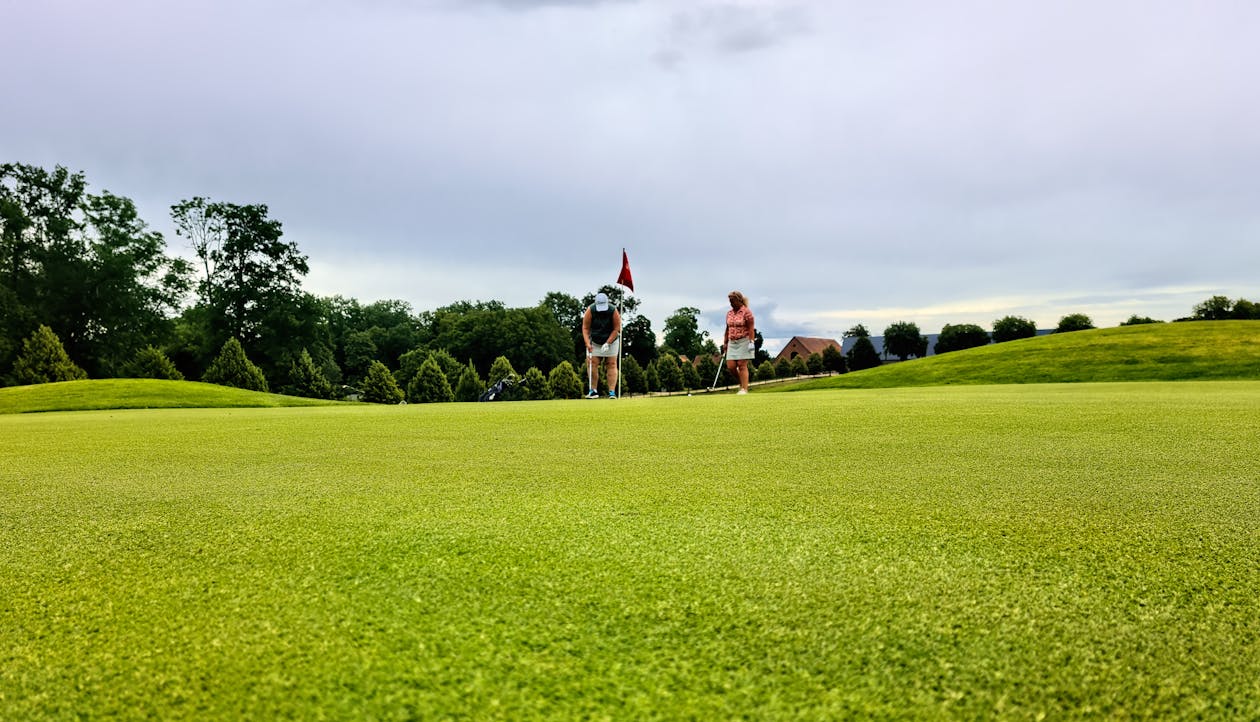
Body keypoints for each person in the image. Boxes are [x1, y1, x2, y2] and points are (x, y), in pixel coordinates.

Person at [582, 292, 622, 399]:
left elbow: (616, 328)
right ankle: (593, 391)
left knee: (611, 364)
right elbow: (585, 328)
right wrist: (587, 344)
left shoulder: (613, 310)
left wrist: (608, 342)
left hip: (611, 341)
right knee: (592, 363)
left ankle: (612, 392)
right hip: (594, 341)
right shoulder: (591, 310)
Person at [722, 290, 756, 395]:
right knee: (731, 367)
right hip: (732, 342)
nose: (731, 303)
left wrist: (751, 342)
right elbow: (727, 329)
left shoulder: (747, 312)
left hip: (744, 340)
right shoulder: (729, 313)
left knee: (742, 365)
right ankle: (741, 383)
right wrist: (725, 342)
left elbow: (751, 328)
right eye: (730, 301)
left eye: (732, 301)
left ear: (738, 300)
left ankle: (744, 389)